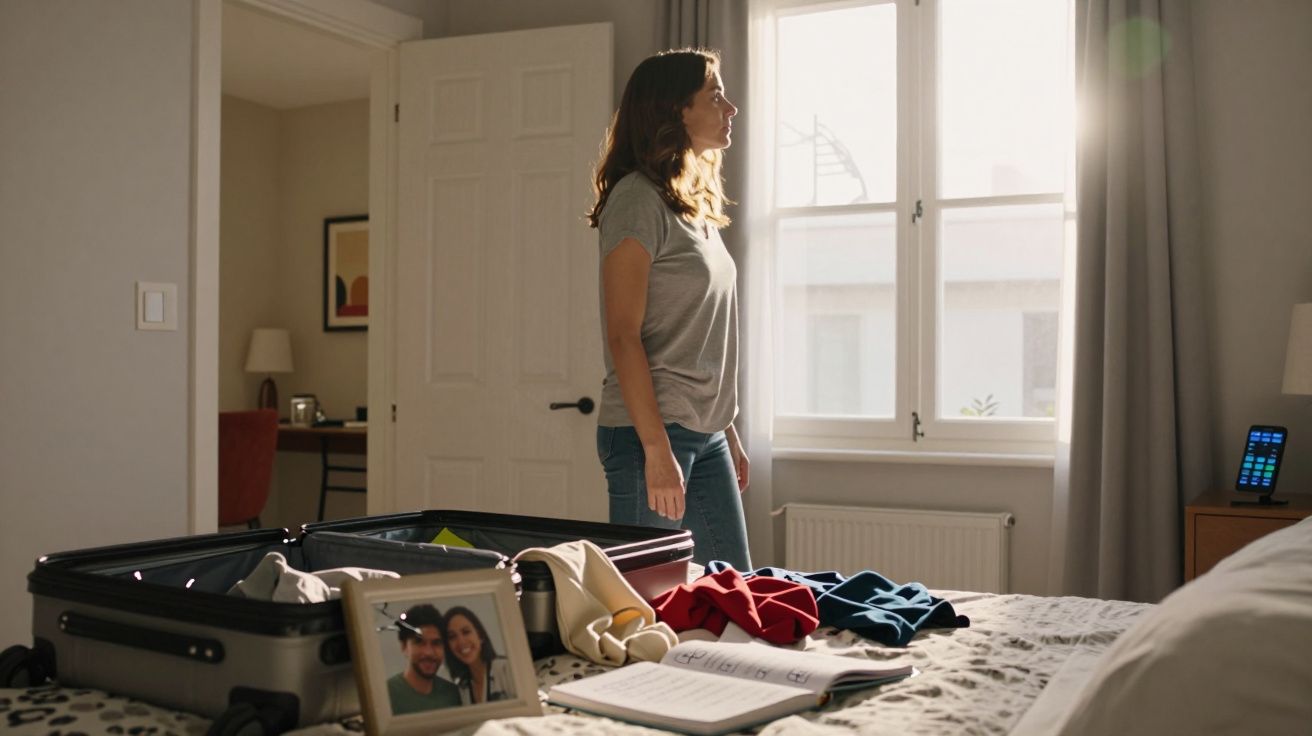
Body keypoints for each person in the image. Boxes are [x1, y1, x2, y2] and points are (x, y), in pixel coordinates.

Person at [587, 48, 751, 570]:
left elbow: (698, 336)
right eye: (716, 97)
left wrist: (727, 429)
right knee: (646, 603)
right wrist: (656, 451)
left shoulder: (693, 204)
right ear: (677, 110)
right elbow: (623, 335)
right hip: (648, 436)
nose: (731, 109)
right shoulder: (637, 199)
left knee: (733, 589)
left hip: (704, 435)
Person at [386, 603, 462, 714]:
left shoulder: (454, 695)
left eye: (436, 643)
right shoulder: (386, 695)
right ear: (404, 647)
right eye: (419, 642)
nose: (429, 652)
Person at [443, 606, 516, 704]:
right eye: (452, 637)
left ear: (480, 636)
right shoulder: (463, 690)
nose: (461, 641)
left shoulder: (506, 669)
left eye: (466, 632)